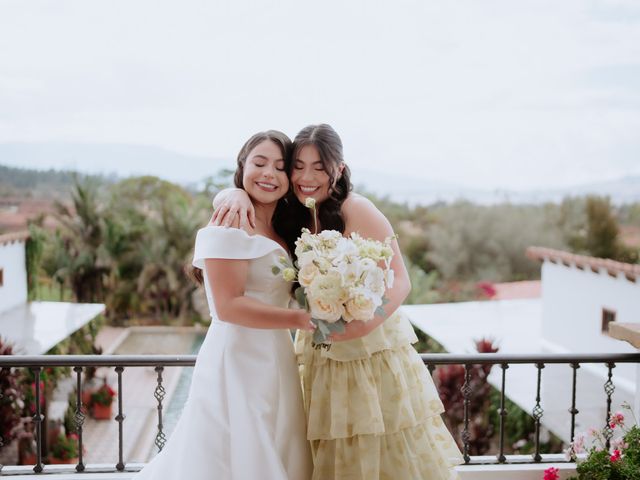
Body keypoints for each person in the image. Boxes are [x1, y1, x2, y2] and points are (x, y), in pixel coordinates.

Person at [211, 124, 462, 479]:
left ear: (339, 169)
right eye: (298, 166)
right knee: (335, 452)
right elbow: (249, 193)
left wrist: (362, 325)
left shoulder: (356, 208)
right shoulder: (294, 213)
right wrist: (232, 194)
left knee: (376, 448)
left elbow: (400, 279)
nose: (306, 176)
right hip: (320, 352)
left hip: (369, 353)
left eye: (319, 166)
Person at [134, 130, 313, 480]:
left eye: (280, 167)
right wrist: (301, 318)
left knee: (277, 441)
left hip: (276, 354)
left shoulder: (284, 227)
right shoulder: (229, 223)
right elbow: (228, 307)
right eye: (259, 163)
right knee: (235, 450)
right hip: (238, 358)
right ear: (242, 166)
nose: (269, 174)